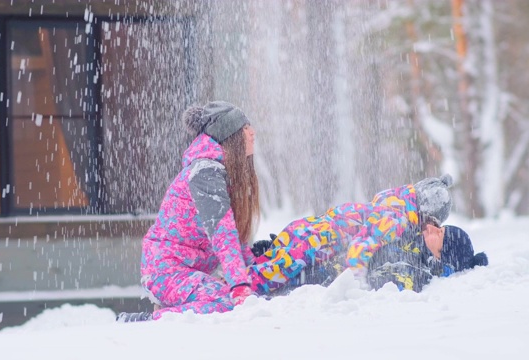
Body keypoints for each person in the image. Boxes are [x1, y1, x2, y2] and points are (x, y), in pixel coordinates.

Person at [117, 101, 259, 322]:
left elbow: (233, 236)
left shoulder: (220, 170)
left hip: (188, 271)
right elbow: (222, 231)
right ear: (230, 136)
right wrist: (239, 285)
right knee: (228, 302)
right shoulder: (204, 172)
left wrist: (253, 264)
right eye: (244, 128)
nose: (252, 132)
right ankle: (148, 321)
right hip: (166, 272)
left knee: (246, 294)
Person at [247, 174, 488, 295]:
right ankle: (234, 286)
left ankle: (242, 264)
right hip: (317, 240)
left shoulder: (395, 205)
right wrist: (358, 281)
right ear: (424, 212)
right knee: (263, 279)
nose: (434, 229)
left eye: (440, 232)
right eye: (437, 225)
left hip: (311, 233)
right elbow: (361, 247)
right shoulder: (396, 219)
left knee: (269, 265)